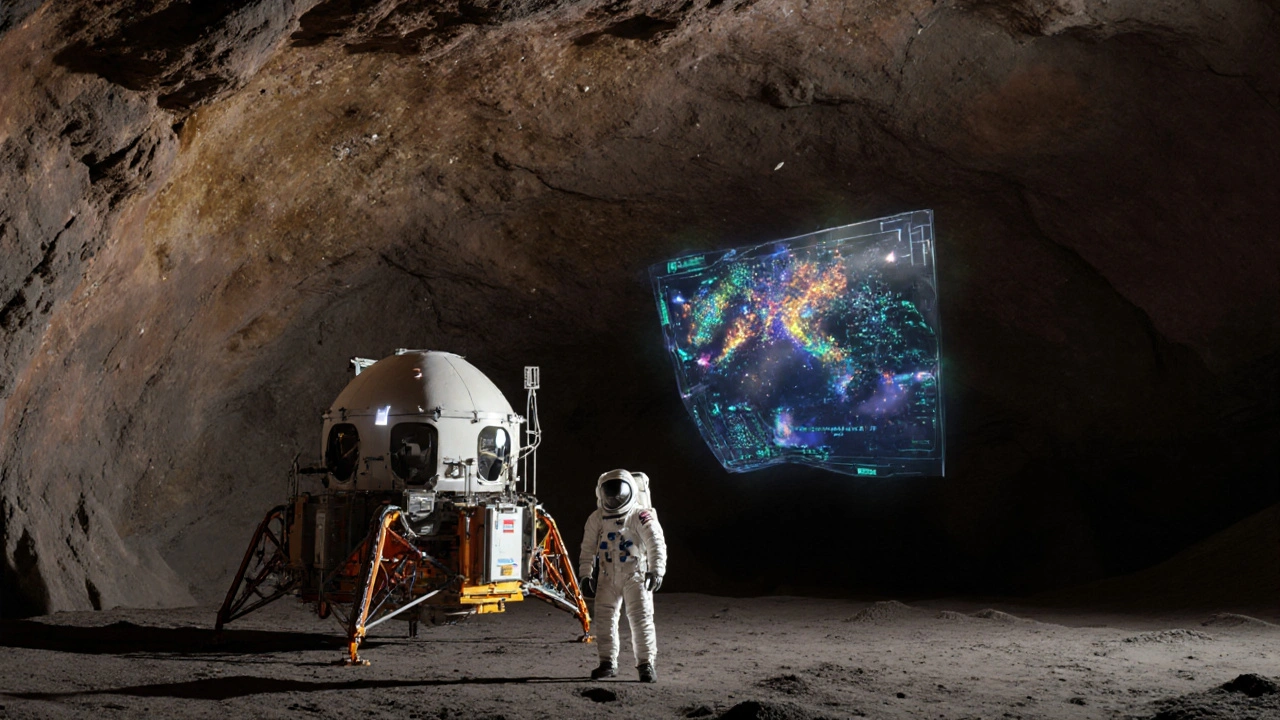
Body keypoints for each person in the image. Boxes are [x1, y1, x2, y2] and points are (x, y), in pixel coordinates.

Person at [578, 469, 667, 683]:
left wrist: (656, 570)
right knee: (605, 618)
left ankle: (646, 665)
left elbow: (656, 543)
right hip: (607, 576)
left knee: (641, 619)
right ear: (602, 495)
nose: (615, 498)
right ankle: (607, 663)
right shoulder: (597, 518)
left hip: (635, 575)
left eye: (619, 494)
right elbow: (588, 547)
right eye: (610, 494)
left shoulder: (639, 515)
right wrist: (585, 574)